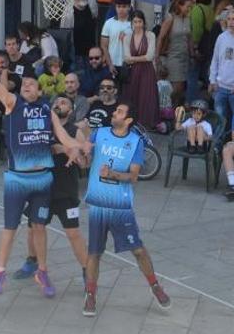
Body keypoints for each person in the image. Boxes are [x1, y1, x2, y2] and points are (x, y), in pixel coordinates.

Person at [51, 102, 172, 316]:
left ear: (128, 121)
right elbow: (86, 159)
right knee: (94, 253)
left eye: (119, 112)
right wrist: (78, 153)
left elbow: (133, 177)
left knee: (137, 249)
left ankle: (155, 286)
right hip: (97, 205)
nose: (114, 113)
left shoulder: (135, 143)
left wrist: (113, 174)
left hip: (120, 206)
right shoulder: (100, 133)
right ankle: (90, 295)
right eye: (115, 110)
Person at [0, 35, 57, 298]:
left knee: (40, 227)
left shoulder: (48, 110)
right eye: (23, 83)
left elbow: (63, 135)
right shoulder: (13, 104)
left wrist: (77, 147)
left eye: (31, 84)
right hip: (17, 178)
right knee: (10, 228)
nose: (26, 85)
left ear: (39, 91)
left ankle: (43, 271)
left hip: (43, 179)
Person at [11, 95, 87, 283]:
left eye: (63, 103)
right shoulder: (40, 128)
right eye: (56, 102)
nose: (58, 104)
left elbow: (84, 163)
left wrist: (76, 152)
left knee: (73, 233)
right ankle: (32, 261)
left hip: (66, 191)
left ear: (70, 110)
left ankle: (87, 271)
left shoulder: (74, 131)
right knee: (33, 228)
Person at [121, 10, 159, 129]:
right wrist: (138, 58)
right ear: (131, 23)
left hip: (147, 71)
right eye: (135, 22)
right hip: (133, 71)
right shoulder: (127, 37)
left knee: (146, 96)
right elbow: (126, 58)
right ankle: (133, 122)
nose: (137, 24)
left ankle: (146, 123)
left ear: (143, 22)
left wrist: (133, 59)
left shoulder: (150, 35)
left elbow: (150, 56)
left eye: (140, 21)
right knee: (133, 95)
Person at [157, 0, 193, 104]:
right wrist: (157, 57)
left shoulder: (187, 19)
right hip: (172, 57)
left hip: (184, 57)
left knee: (181, 88)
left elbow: (189, 37)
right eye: (188, 6)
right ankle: (167, 108)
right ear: (179, 5)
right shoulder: (170, 19)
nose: (189, 9)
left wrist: (192, 53)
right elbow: (161, 38)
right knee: (175, 88)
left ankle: (174, 110)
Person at [61, 0, 98, 71]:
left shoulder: (90, 9)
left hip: (89, 49)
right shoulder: (69, 13)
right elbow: (65, 33)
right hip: (76, 51)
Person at [100, 0, 132, 80]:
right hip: (112, 63)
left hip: (129, 64)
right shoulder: (109, 23)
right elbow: (104, 46)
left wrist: (127, 40)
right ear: (115, 7)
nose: (121, 9)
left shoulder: (134, 24)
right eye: (119, 6)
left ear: (129, 7)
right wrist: (110, 64)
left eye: (124, 7)